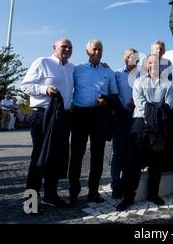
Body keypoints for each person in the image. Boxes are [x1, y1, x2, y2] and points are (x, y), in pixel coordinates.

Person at [116, 54, 173, 211]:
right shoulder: (139, 82)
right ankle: (128, 197)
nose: (153, 65)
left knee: (156, 162)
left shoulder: (168, 85)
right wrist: (157, 108)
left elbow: (169, 106)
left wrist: (155, 108)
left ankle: (153, 194)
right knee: (132, 162)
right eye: (150, 63)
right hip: (140, 125)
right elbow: (140, 104)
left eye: (156, 63)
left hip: (159, 128)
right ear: (146, 65)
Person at [20, 38, 74, 208]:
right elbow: (25, 86)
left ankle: (51, 195)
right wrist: (45, 90)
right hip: (42, 115)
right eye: (63, 46)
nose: (67, 50)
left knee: (55, 158)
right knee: (38, 157)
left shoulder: (72, 68)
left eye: (70, 47)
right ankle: (30, 203)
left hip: (62, 117)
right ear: (54, 48)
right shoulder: (42, 62)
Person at [68, 39, 119, 206]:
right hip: (80, 115)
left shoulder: (108, 71)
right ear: (87, 51)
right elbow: (68, 89)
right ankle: (73, 193)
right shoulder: (77, 70)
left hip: (99, 115)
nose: (97, 52)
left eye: (100, 49)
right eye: (94, 49)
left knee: (97, 156)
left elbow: (114, 94)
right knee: (76, 154)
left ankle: (93, 192)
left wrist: (105, 102)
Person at [111, 48, 140, 199]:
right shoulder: (116, 74)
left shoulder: (142, 74)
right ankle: (115, 184)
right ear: (124, 58)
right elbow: (111, 92)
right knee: (117, 152)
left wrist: (135, 102)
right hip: (120, 116)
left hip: (136, 116)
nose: (131, 59)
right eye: (128, 56)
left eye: (134, 57)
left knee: (131, 151)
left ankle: (126, 182)